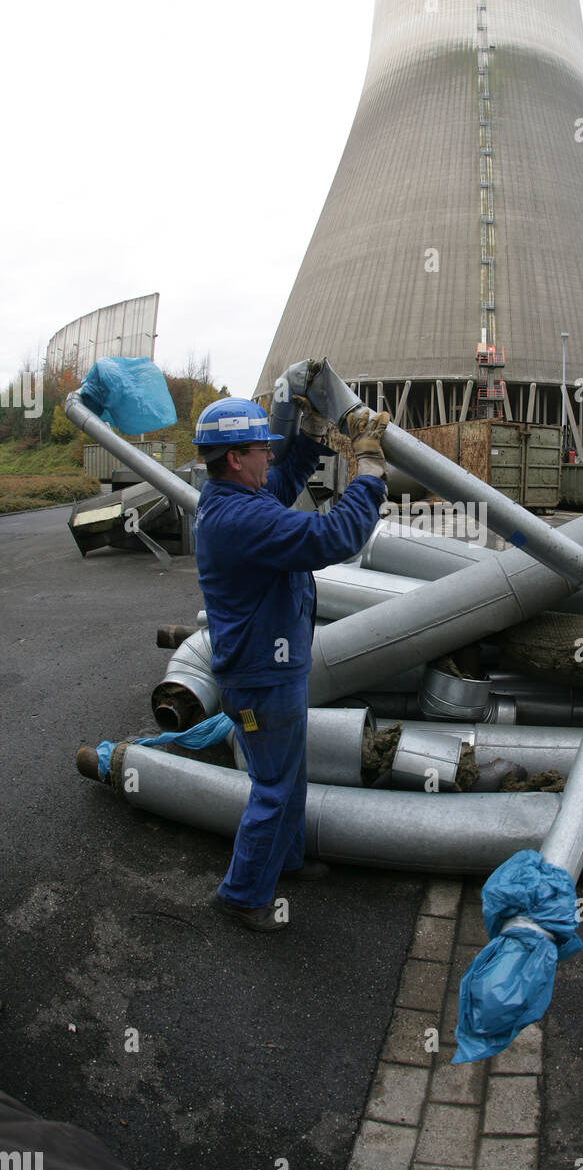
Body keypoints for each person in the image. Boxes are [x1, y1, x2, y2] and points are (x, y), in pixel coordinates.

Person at [192, 391, 388, 931]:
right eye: (262, 449)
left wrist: (310, 431)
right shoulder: (240, 520)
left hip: (269, 669)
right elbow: (333, 536)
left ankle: (287, 860)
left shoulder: (231, 498)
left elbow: (280, 485)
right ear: (236, 458)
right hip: (260, 678)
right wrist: (369, 472)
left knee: (290, 777)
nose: (269, 458)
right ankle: (243, 895)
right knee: (275, 788)